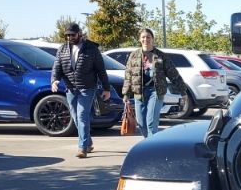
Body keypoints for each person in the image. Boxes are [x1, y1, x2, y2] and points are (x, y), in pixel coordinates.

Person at [50, 22, 111, 159]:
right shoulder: (62, 49)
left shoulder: (91, 48)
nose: (69, 37)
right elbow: (57, 66)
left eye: (72, 34)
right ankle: (88, 142)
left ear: (79, 34)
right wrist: (55, 80)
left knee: (82, 116)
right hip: (71, 88)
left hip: (87, 87)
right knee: (76, 117)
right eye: (67, 35)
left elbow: (101, 69)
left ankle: (82, 148)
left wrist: (106, 88)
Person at [121, 28, 187, 137]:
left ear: (152, 39)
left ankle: (151, 149)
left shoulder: (161, 56)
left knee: (151, 122)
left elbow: (173, 74)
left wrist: (183, 91)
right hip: (139, 93)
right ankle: (150, 144)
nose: (145, 39)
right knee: (141, 124)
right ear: (139, 39)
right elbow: (128, 76)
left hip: (155, 92)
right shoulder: (134, 55)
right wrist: (126, 94)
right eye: (143, 37)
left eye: (148, 37)